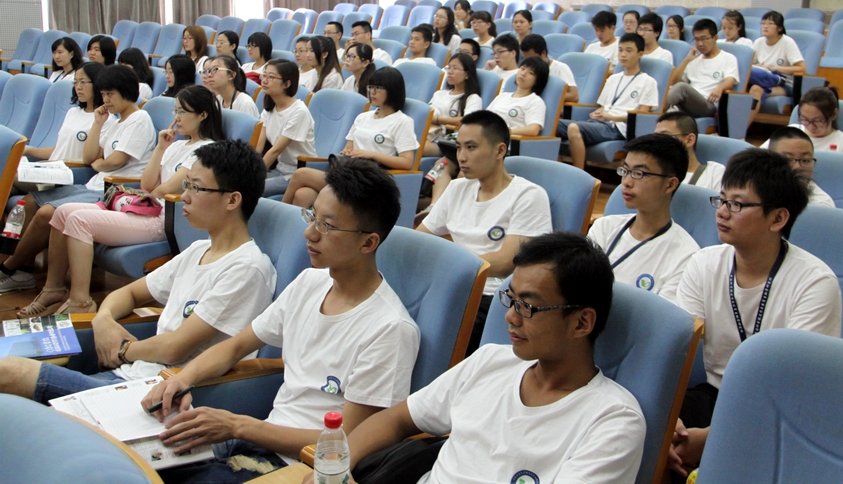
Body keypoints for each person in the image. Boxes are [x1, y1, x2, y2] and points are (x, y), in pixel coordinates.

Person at [142, 158, 419, 483]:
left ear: (368, 242)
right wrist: (182, 379)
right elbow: (236, 346)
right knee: (133, 461)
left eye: (326, 226)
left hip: (296, 466)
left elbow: (345, 442)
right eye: (312, 216)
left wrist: (238, 425)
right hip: (255, 440)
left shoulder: (389, 329)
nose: (309, 233)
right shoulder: (309, 283)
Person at [317, 232, 645, 484]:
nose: (510, 317)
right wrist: (339, 467)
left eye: (528, 306)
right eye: (510, 299)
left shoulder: (612, 420)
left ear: (581, 323)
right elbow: (398, 419)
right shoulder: (490, 361)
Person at [0, 141, 276, 406]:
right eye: (186, 185)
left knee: (9, 373)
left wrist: (121, 350)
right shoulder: (199, 250)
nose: (185, 196)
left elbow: (174, 349)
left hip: (155, 392)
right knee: (9, 348)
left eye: (197, 188)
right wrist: (103, 320)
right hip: (128, 375)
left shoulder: (246, 269)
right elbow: (130, 293)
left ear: (232, 200)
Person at [670, 148, 842, 478]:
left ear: (778, 219)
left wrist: (713, 438)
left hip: (781, 411)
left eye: (737, 204)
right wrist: (670, 421)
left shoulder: (815, 283)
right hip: (716, 393)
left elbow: (794, 387)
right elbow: (677, 349)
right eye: (721, 200)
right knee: (648, 421)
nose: (722, 212)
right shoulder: (704, 263)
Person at [17, 87, 225, 317]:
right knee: (62, 212)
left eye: (183, 112)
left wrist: (152, 192)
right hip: (147, 209)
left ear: (202, 115)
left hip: (164, 219)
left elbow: (166, 189)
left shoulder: (205, 149)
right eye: (175, 111)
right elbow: (147, 184)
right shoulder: (175, 145)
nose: (176, 118)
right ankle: (53, 289)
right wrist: (160, 148)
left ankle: (80, 302)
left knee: (78, 220)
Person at [0, 65, 156, 302]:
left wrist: (100, 164)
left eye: (110, 94)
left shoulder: (139, 119)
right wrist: (98, 123)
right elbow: (90, 157)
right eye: (103, 94)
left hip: (113, 190)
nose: (106, 100)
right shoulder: (115, 121)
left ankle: (10, 268)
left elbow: (115, 161)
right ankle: (23, 271)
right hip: (94, 184)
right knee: (30, 202)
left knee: (47, 212)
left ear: (126, 91)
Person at [420, 110, 551, 351]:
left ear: (500, 151)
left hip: (494, 297)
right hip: (449, 286)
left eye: (471, 147)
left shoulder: (528, 196)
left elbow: (505, 262)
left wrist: (446, 267)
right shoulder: (457, 188)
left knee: (430, 335)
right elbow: (420, 239)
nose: (461, 157)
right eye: (458, 147)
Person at [283, 67, 418, 208]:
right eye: (371, 87)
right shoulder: (362, 117)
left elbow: (406, 162)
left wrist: (371, 154)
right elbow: (348, 148)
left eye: (378, 88)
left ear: (392, 90)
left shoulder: (402, 121)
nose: (372, 92)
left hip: (371, 180)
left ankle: (279, 213)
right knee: (303, 195)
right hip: (349, 173)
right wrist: (348, 152)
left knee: (301, 174)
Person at [587, 133, 698, 301]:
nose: (626, 182)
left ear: (670, 184)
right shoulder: (603, 228)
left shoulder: (685, 255)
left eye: (639, 173)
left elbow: (660, 315)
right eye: (625, 171)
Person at [5, 62, 106, 238]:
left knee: (7, 177)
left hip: (67, 176)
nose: (78, 87)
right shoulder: (73, 113)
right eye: (75, 82)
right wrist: (27, 151)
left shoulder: (104, 119)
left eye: (83, 82)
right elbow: (59, 149)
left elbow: (89, 159)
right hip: (49, 169)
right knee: (5, 182)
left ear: (97, 83)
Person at [557, 33, 658, 170]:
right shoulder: (613, 79)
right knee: (553, 124)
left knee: (573, 128)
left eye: (629, 51)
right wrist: (597, 113)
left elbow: (641, 116)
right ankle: (557, 167)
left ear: (640, 54)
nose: (623, 55)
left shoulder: (648, 82)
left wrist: (612, 117)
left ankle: (579, 174)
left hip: (618, 128)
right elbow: (604, 107)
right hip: (600, 123)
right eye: (620, 50)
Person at [255, 59, 316, 198]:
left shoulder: (298, 111)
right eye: (264, 75)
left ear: (287, 84)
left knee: (252, 190)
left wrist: (254, 176)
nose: (264, 80)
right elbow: (259, 146)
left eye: (271, 77)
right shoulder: (270, 107)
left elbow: (275, 150)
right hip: (280, 169)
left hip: (298, 173)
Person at [665, 19, 740, 118]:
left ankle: (654, 114)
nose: (700, 43)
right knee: (670, 92)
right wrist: (686, 60)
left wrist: (720, 88)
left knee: (681, 88)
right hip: (688, 103)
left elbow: (730, 81)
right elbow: (674, 82)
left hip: (708, 104)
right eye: (696, 39)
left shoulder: (728, 58)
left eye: (704, 39)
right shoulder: (694, 59)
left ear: (715, 38)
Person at [761, 87, 843, 155]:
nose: (811, 126)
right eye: (805, 119)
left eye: (818, 121)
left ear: (834, 114)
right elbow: (760, 157)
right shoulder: (791, 132)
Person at [747, 10, 805, 123]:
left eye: (770, 24)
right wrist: (759, 66)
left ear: (779, 28)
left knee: (755, 87)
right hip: (764, 79)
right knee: (750, 86)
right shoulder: (758, 42)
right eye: (763, 23)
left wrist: (775, 68)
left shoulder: (787, 42)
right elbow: (749, 65)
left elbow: (801, 68)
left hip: (785, 83)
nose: (765, 26)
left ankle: (741, 130)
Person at [423, 52, 482, 157]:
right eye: (449, 67)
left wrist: (437, 120)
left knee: (412, 147)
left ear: (467, 74)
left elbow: (468, 122)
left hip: (447, 143)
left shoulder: (472, 98)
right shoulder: (439, 94)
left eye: (455, 68)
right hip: (428, 135)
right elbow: (426, 114)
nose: (450, 72)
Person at [655, 111, 726, 191]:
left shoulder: (714, 173)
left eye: (665, 136)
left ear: (689, 140)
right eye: (656, 136)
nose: (657, 142)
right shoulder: (652, 174)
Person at [768, 126, 835, 207]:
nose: (798, 167)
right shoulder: (755, 191)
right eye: (788, 160)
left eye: (805, 160)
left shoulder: (820, 205)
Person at [486, 55, 548, 137]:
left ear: (537, 81)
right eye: (522, 68)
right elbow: (484, 117)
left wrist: (507, 131)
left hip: (505, 140)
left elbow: (534, 130)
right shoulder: (502, 96)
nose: (523, 73)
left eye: (531, 73)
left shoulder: (535, 101)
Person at [520, 33, 578, 102]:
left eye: (532, 58)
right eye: (525, 59)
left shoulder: (561, 68)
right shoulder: (524, 71)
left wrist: (547, 97)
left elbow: (574, 96)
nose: (529, 62)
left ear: (543, 53)